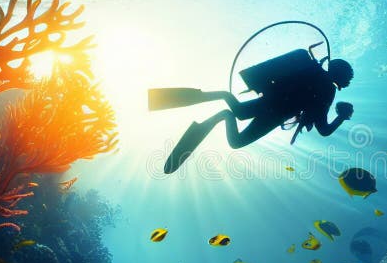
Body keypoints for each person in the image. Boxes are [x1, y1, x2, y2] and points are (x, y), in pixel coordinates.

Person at [148, 49, 354, 174]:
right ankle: (222, 114)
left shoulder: (311, 70)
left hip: (269, 101)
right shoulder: (328, 90)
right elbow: (324, 130)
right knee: (236, 141)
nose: (349, 81)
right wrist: (342, 117)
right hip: (275, 114)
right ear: (341, 74)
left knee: (238, 110)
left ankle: (221, 96)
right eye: (349, 77)